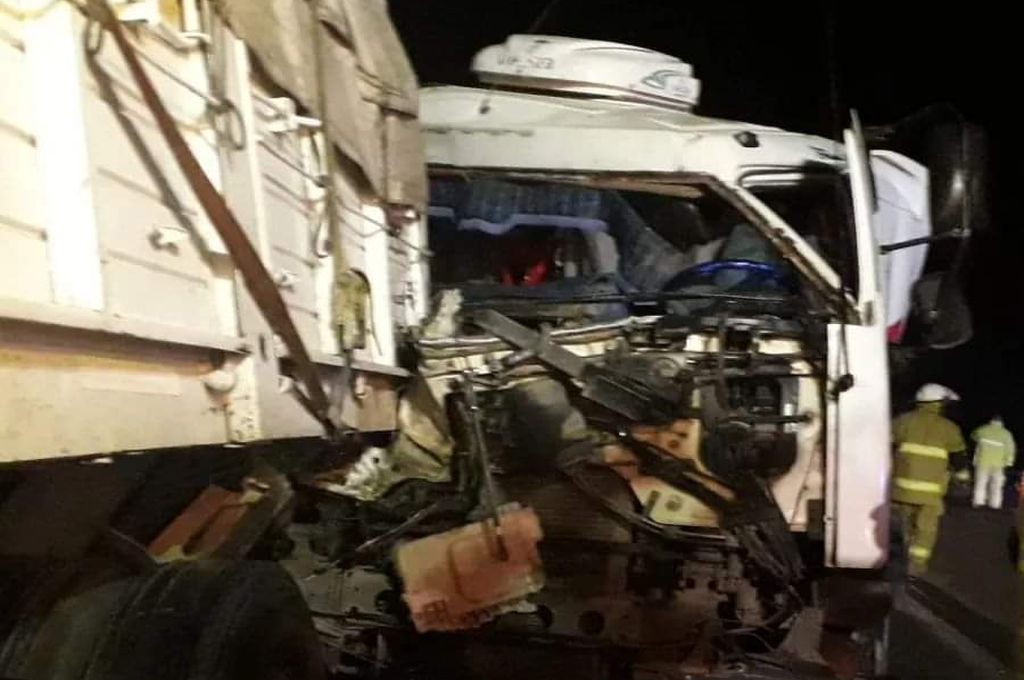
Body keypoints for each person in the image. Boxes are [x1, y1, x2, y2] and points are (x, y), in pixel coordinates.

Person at [891, 383, 967, 575]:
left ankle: (899, 559)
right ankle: (916, 565)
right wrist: (963, 479)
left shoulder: (902, 421)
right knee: (926, 530)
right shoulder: (949, 428)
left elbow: (885, 446)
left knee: (902, 527)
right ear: (938, 404)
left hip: (900, 490)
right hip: (931, 494)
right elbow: (958, 459)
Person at [971, 415, 1016, 509]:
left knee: (981, 483)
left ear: (991, 421)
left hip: (982, 461)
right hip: (998, 464)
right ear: (1001, 423)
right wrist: (1008, 462)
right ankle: (995, 504)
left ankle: (978, 502)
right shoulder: (1006, 434)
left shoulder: (983, 429)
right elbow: (1011, 449)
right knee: (996, 485)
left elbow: (973, 436)